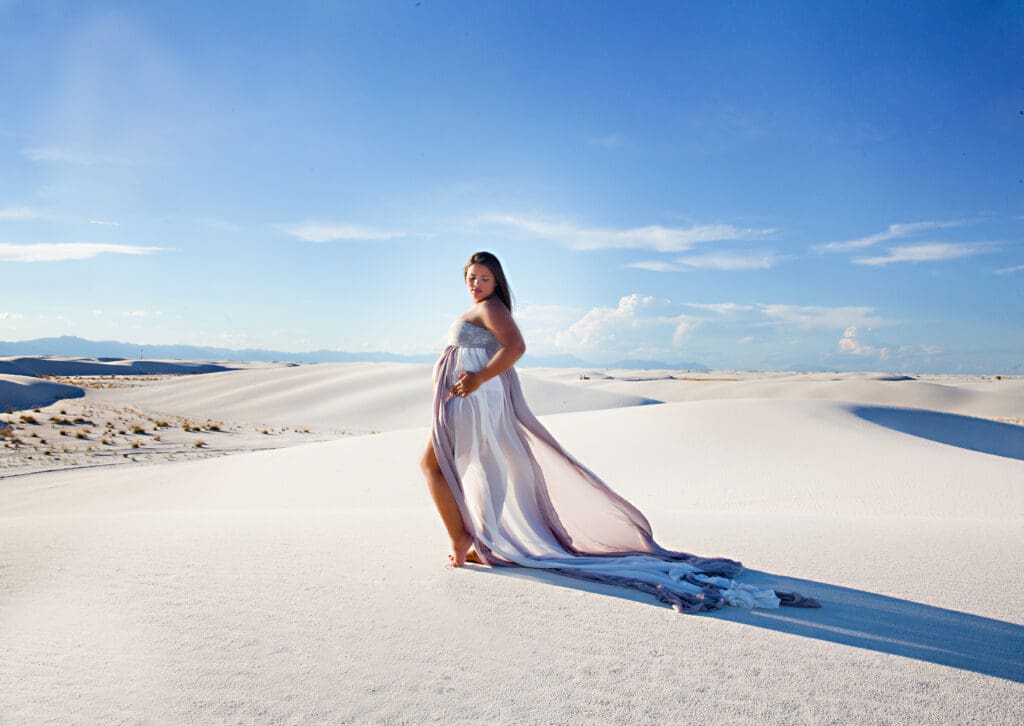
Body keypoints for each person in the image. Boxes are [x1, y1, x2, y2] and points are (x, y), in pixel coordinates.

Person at [420, 251, 818, 613]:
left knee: (441, 465)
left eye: (484, 278)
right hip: (470, 398)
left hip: (475, 399)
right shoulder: (482, 308)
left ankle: (466, 539)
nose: (476, 284)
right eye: (472, 278)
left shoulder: (492, 309)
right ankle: (481, 538)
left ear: (497, 283)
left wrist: (477, 379)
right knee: (476, 464)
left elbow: (516, 347)